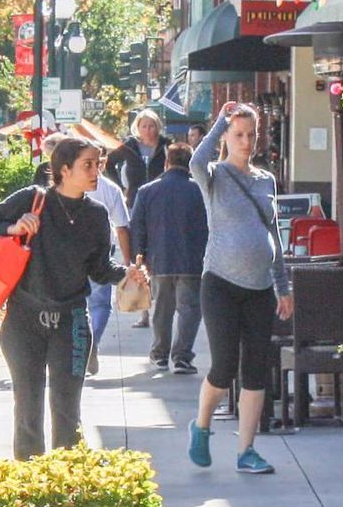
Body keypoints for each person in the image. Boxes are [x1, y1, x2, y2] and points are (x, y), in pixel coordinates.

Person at [0, 137, 148, 460]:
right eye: (88, 165)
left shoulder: (97, 216)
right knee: (28, 405)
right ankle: (29, 483)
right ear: (64, 170)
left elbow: (98, 269)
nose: (96, 171)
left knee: (67, 407)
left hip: (71, 320)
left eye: (98, 164)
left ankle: (66, 482)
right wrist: (13, 227)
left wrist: (126, 275)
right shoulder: (34, 200)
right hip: (23, 319)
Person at [186, 102, 293, 475]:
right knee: (224, 365)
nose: (246, 142)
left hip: (260, 287)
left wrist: (283, 284)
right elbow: (195, 163)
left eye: (251, 135)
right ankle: (201, 425)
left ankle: (247, 450)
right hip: (220, 283)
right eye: (238, 135)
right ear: (227, 138)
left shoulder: (266, 180)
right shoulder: (214, 175)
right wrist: (219, 122)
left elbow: (273, 235)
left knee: (256, 369)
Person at [130, 142, 208, 375]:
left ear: (167, 162)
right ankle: (182, 357)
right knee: (189, 310)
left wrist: (139, 258)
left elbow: (138, 227)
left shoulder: (147, 191)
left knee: (162, 309)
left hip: (159, 258)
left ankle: (160, 355)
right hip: (193, 260)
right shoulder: (200, 191)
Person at [104, 108, 172, 328]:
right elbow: (109, 163)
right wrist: (121, 187)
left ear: (157, 127)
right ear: (138, 128)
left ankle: (160, 302)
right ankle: (143, 311)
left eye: (152, 126)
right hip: (135, 201)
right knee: (139, 251)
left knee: (158, 249)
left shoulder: (165, 145)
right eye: (144, 126)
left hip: (160, 202)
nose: (148, 130)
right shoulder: (130, 146)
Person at [84, 144, 132, 376]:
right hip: (102, 250)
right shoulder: (111, 189)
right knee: (100, 303)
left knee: (78, 303)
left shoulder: (73, 185)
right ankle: (92, 342)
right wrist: (129, 260)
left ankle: (84, 346)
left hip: (75, 251)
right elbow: (122, 227)